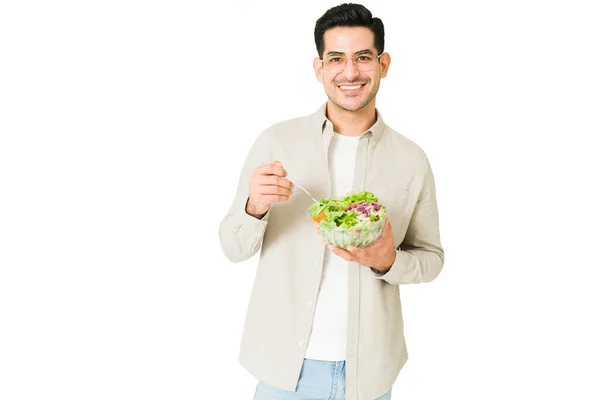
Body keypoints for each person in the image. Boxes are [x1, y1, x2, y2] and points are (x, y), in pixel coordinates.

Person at [219, 3, 444, 399]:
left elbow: (431, 259)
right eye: (336, 59)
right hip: (284, 372)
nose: (350, 72)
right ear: (319, 69)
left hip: (370, 373)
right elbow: (233, 247)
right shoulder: (277, 143)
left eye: (363, 58)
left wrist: (387, 261)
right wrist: (254, 207)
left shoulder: (411, 160)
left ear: (383, 64)